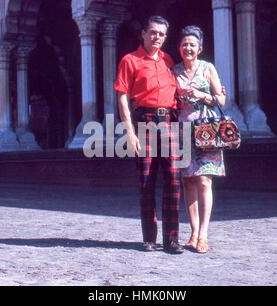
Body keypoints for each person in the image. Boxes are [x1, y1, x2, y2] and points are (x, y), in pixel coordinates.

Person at [114, 16, 184, 254]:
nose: (157, 37)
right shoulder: (130, 60)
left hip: (168, 122)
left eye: (162, 34)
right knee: (147, 181)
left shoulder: (168, 60)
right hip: (144, 120)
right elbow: (122, 96)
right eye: (153, 32)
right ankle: (150, 238)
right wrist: (130, 132)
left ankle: (172, 239)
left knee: (174, 180)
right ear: (143, 33)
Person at [172, 25, 226, 253]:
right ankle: (193, 232)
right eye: (184, 44)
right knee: (188, 181)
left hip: (206, 128)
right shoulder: (173, 71)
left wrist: (200, 94)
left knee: (204, 180)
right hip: (183, 131)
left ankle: (204, 234)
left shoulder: (207, 68)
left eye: (192, 44)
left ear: (200, 48)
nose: (188, 48)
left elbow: (222, 100)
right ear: (179, 47)